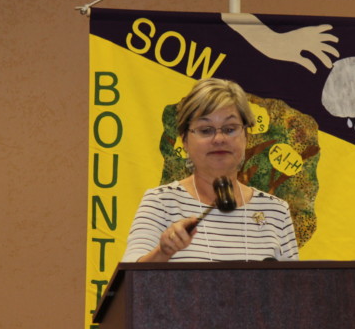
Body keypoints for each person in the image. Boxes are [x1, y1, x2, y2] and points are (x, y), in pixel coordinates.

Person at [122, 78, 299, 262]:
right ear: (184, 140)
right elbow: (130, 276)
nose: (219, 139)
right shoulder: (161, 203)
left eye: (229, 129)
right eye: (206, 130)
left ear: (246, 136)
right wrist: (163, 252)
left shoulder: (276, 211)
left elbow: (295, 280)